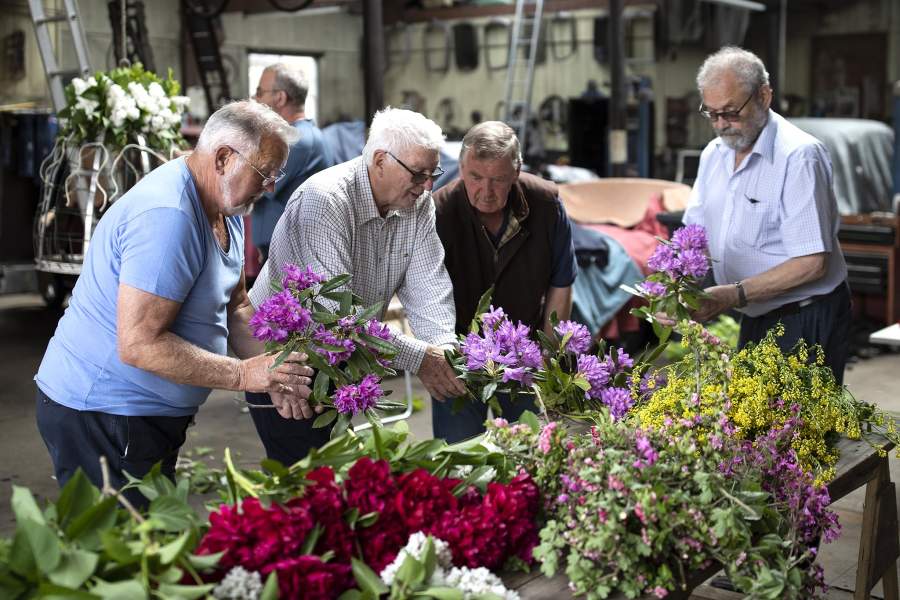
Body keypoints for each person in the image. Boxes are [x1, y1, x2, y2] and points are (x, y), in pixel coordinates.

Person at [34, 101, 317, 507]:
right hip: (105, 412)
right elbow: (140, 344)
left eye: (277, 175)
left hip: (146, 415)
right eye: (265, 173)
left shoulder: (226, 205)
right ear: (223, 158)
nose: (271, 186)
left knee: (146, 542)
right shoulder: (168, 218)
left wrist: (276, 371)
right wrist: (244, 375)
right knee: (121, 552)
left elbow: (236, 304)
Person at [248, 107, 467, 463]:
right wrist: (420, 358)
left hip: (345, 355)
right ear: (380, 160)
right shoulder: (325, 200)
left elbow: (430, 287)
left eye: (433, 173)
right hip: (287, 355)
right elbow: (335, 316)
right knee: (303, 471)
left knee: (336, 470)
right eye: (418, 173)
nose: (427, 185)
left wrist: (443, 354)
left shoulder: (417, 204)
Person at [683, 46, 851, 383]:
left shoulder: (799, 157)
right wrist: (677, 285)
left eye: (731, 111)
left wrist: (733, 294)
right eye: (712, 113)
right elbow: (693, 236)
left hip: (804, 316)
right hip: (754, 314)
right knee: (754, 429)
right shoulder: (713, 155)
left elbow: (811, 262)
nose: (721, 125)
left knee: (802, 430)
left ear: (764, 96)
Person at [433, 121, 577, 442]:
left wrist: (548, 356)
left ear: (516, 171)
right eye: (475, 177)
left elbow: (561, 282)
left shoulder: (546, 204)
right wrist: (439, 357)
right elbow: (423, 293)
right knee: (460, 461)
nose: (486, 191)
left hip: (525, 358)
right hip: (458, 360)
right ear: (460, 168)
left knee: (528, 456)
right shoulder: (438, 211)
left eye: (498, 179)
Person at [251, 63, 334, 265]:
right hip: (280, 253)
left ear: (280, 98)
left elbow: (253, 182)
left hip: (291, 259)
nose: (255, 98)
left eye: (260, 92)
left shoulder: (296, 141)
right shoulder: (300, 136)